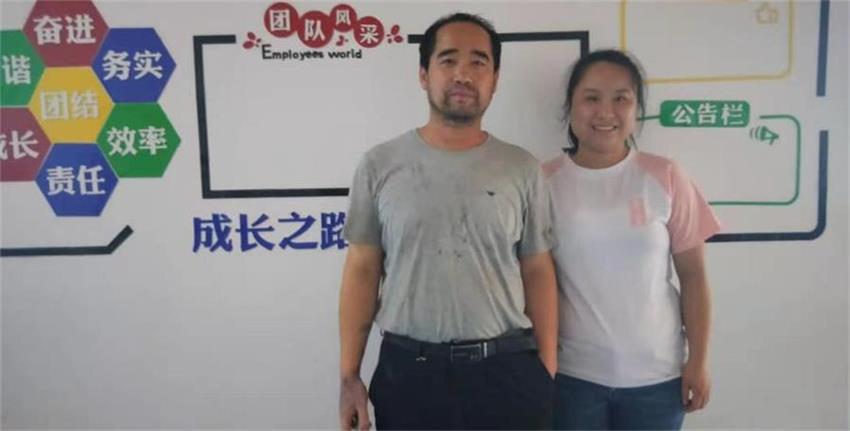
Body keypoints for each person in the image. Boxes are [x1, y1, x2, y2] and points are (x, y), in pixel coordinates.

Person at [338, 12, 558, 431]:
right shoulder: (380, 165)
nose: (463, 74)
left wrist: (545, 370)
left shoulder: (522, 168)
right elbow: (362, 269)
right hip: (409, 375)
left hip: (508, 373)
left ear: (495, 79)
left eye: (478, 62)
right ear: (424, 74)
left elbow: (538, 269)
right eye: (448, 60)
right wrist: (349, 375)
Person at [544, 49, 721, 430]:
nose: (605, 112)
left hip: (657, 381)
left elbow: (693, 276)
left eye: (620, 99)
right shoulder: (544, 183)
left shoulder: (665, 175)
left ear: (636, 109)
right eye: (591, 98)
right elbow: (532, 280)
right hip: (572, 378)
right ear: (571, 106)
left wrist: (698, 361)